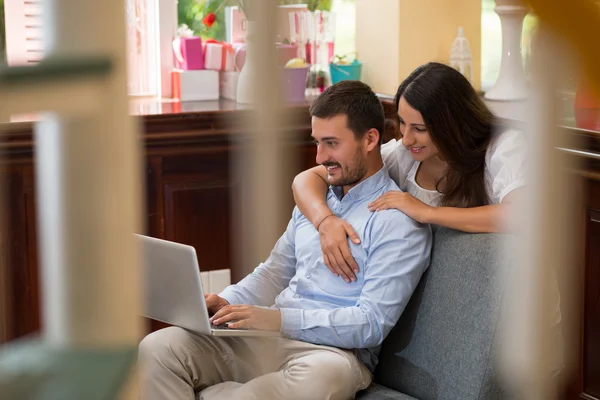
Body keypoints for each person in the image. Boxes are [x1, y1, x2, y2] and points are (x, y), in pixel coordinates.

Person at [138, 81, 432, 400]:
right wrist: (228, 301)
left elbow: (371, 324)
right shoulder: (314, 203)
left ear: (370, 139)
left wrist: (279, 320)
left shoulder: (398, 222)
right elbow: (273, 273)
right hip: (266, 337)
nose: (320, 157)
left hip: (332, 354)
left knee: (323, 377)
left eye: (332, 143)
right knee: (157, 348)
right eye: (317, 142)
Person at [292, 61, 527, 282]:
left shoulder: (504, 146)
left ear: (453, 124)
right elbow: (306, 179)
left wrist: (426, 213)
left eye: (420, 128)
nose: (406, 139)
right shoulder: (405, 156)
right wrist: (325, 221)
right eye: (402, 123)